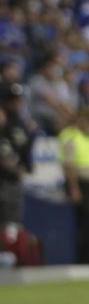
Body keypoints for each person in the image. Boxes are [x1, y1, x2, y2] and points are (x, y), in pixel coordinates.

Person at [59, 109, 89, 264]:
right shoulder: (70, 136)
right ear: (78, 119)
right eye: (86, 119)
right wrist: (74, 188)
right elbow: (69, 165)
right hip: (81, 183)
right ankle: (88, 259)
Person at [0, 83, 33, 230]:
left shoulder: (20, 122)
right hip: (2, 176)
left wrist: (25, 166)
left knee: (13, 222)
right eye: (14, 100)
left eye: (19, 100)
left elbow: (25, 148)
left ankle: (8, 252)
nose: (17, 103)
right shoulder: (3, 120)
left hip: (14, 178)